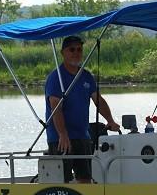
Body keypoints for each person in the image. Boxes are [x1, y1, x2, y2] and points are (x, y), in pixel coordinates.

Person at [45, 35, 120, 183]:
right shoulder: (56, 78)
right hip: (61, 138)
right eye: (71, 49)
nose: (76, 53)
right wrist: (63, 134)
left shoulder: (86, 76)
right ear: (63, 53)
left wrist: (110, 120)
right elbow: (56, 108)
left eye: (79, 49)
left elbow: (98, 100)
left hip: (82, 136)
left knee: (85, 178)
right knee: (62, 181)